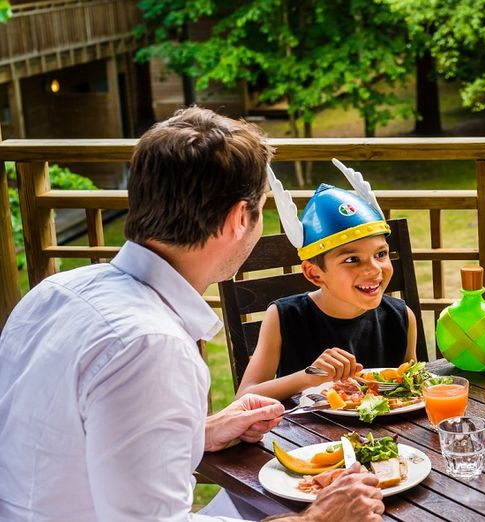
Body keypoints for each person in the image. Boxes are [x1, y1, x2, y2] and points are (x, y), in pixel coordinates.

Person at [0, 107, 385, 522]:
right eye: (261, 212)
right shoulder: (151, 346)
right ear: (241, 218)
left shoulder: (56, 292)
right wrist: (317, 520)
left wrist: (201, 433)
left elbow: (62, 445)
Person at [236, 182, 418, 401]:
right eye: (352, 260)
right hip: (301, 434)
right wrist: (309, 376)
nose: (374, 269)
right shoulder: (284, 317)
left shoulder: (401, 317)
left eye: (380, 254)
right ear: (314, 274)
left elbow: (413, 389)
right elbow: (243, 398)